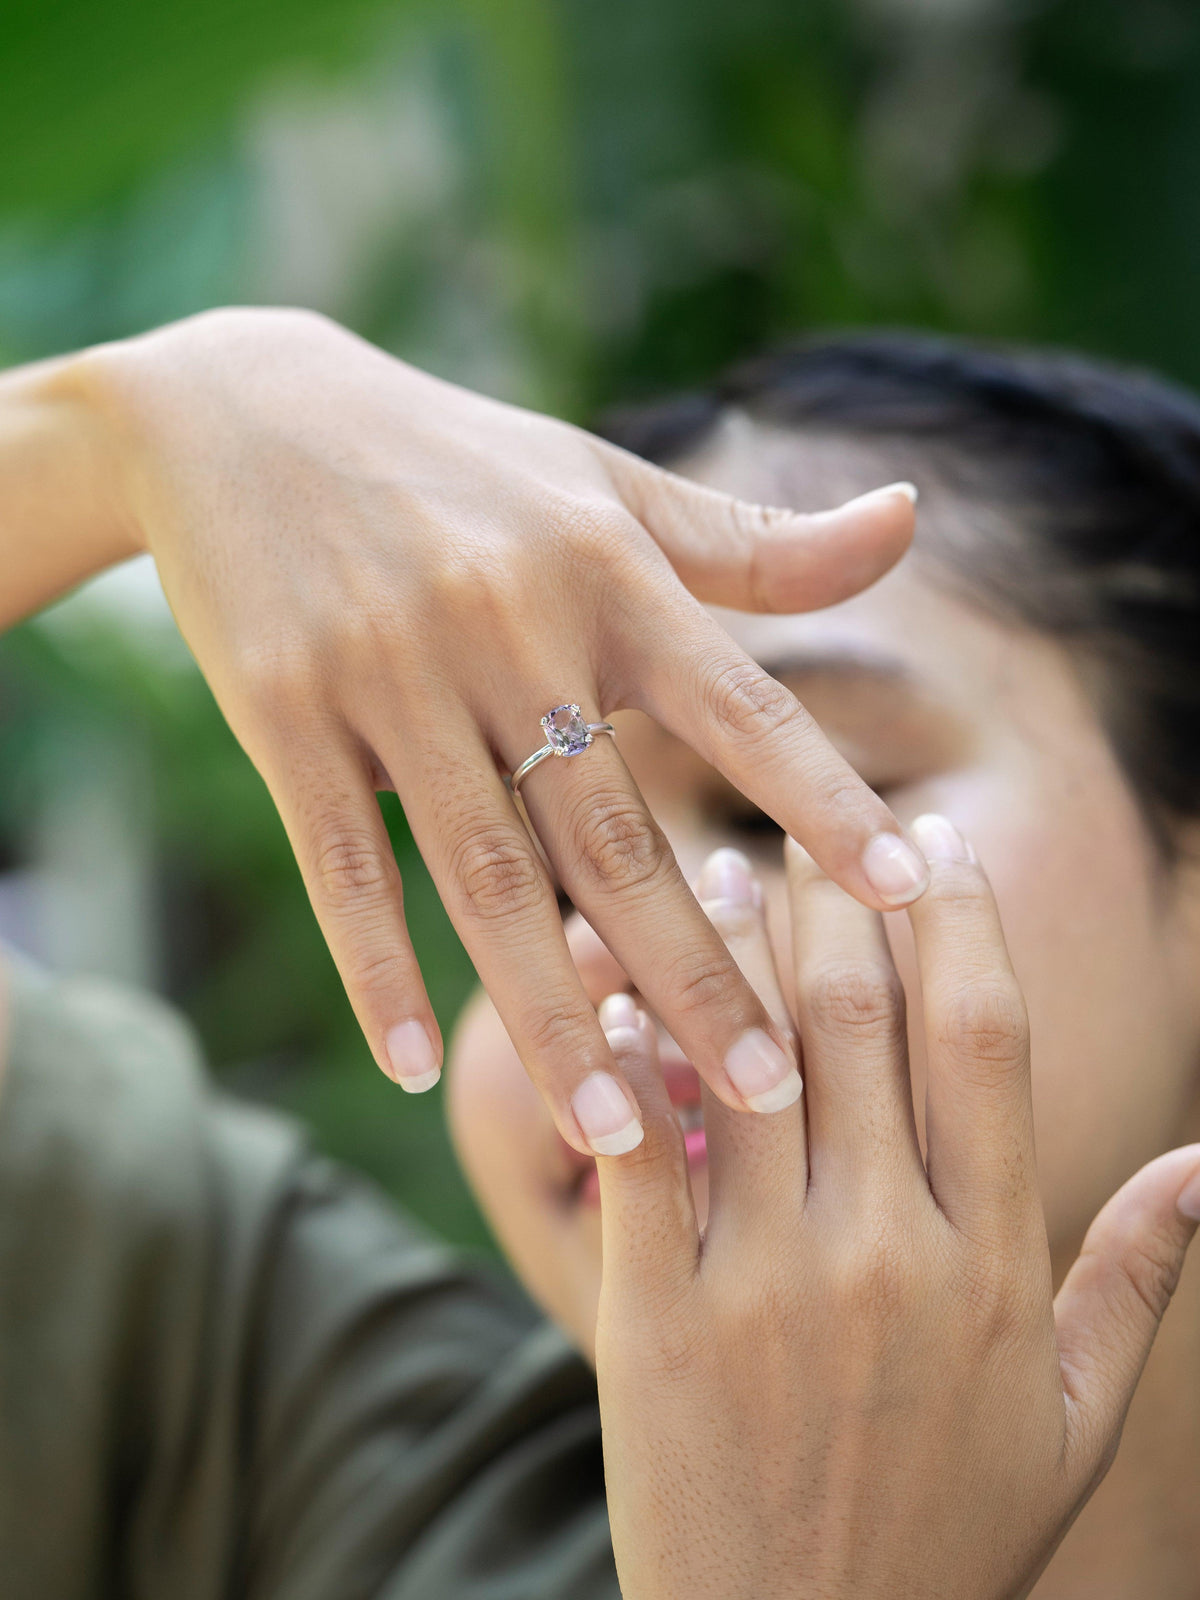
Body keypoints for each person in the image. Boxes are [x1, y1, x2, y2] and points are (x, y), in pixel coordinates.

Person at [0, 320, 1198, 1596]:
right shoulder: (359, 1466)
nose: (620, 939)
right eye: (525, 869)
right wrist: (120, 433)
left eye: (775, 802)